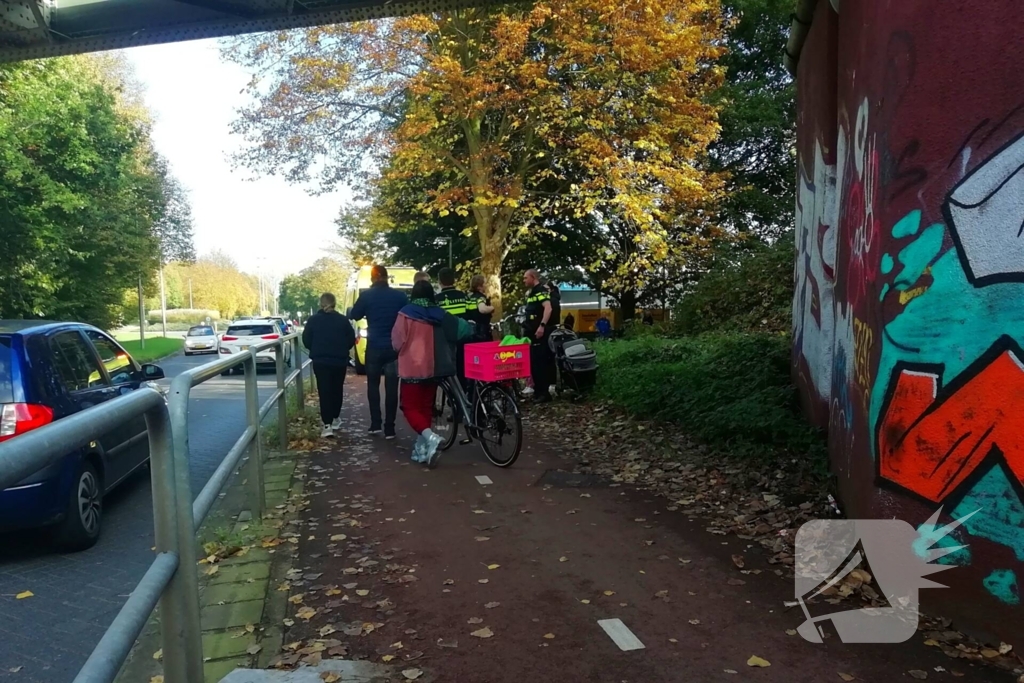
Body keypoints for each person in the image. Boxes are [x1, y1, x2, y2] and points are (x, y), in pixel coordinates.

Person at [392, 280, 474, 467]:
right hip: (435, 368)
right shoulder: (441, 314)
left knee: (410, 407)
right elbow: (462, 330)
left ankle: (431, 438)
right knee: (426, 407)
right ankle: (423, 450)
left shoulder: (405, 314)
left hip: (412, 368)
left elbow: (397, 342)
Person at [350, 265, 408, 439]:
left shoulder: (366, 296)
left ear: (373, 278)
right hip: (393, 348)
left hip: (374, 346)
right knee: (392, 388)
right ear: (387, 277)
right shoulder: (400, 296)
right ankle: (389, 428)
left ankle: (375, 424)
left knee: (373, 385)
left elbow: (355, 315)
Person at [301, 293, 356, 438]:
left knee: (324, 390)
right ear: (335, 303)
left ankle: (327, 425)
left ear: (320, 304)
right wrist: (343, 349)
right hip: (339, 360)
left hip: (320, 360)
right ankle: (336, 417)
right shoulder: (343, 321)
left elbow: (306, 339)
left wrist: (315, 348)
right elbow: (351, 339)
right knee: (337, 389)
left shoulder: (313, 320)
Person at [523, 269, 554, 402]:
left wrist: (542, 326)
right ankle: (538, 391)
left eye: (525, 278)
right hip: (532, 331)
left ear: (533, 277)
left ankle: (544, 393)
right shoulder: (532, 293)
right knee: (534, 362)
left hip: (539, 332)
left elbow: (548, 308)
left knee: (540, 363)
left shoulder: (540, 291)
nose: (524, 280)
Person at [467, 274, 495, 342]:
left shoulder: (470, 298)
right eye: (485, 283)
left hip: (471, 331)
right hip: (482, 331)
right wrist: (491, 308)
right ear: (479, 287)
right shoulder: (480, 297)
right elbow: (482, 309)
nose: (487, 285)